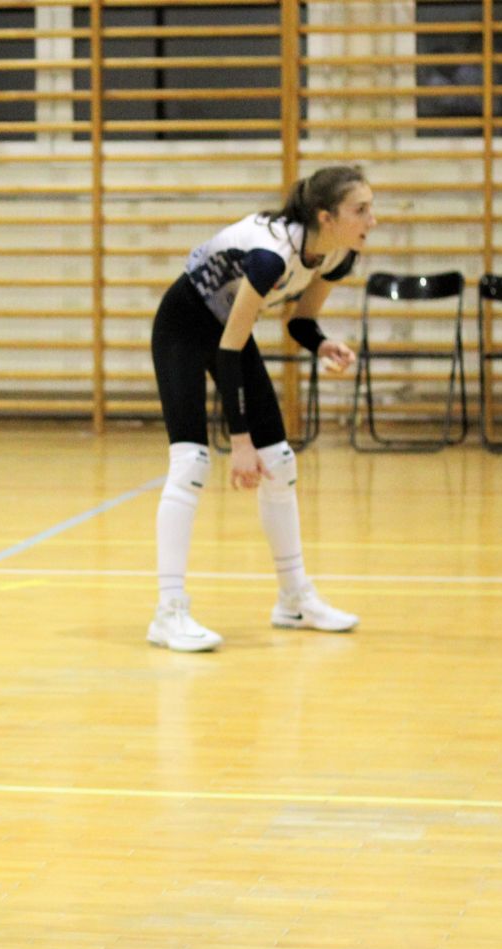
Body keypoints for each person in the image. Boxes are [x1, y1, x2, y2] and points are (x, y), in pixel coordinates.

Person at [147, 165, 376, 652]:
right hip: (183, 327)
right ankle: (168, 613)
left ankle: (294, 600)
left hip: (227, 329)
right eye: (361, 210)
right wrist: (240, 441)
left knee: (281, 463)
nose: (371, 220)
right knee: (191, 463)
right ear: (326, 216)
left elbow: (300, 321)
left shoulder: (338, 255)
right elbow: (230, 347)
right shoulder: (272, 256)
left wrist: (323, 344)